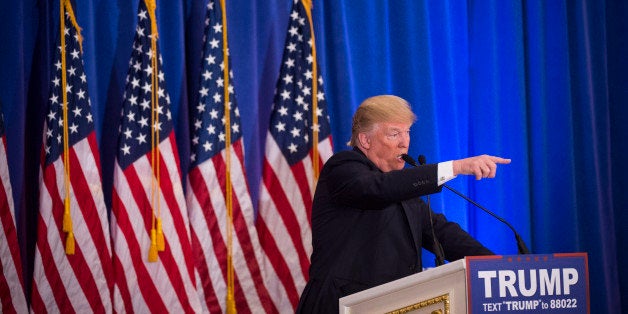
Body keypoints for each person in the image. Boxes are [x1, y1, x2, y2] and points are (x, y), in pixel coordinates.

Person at [295, 95, 511, 313]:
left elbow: (442, 234)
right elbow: (378, 189)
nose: (404, 142)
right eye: (394, 133)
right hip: (340, 305)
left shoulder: (402, 189)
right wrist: (454, 168)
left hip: (396, 305)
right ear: (365, 140)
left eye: (407, 132)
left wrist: (497, 268)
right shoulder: (343, 169)